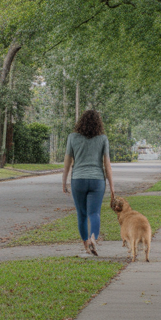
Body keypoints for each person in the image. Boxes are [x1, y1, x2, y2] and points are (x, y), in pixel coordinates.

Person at [62, 109, 115, 256]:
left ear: (81, 122)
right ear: (99, 124)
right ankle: (93, 238)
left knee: (82, 214)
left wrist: (64, 181)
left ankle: (86, 245)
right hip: (97, 180)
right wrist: (112, 187)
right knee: (94, 213)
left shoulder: (72, 138)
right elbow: (107, 165)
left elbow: (67, 163)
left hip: (78, 179)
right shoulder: (103, 139)